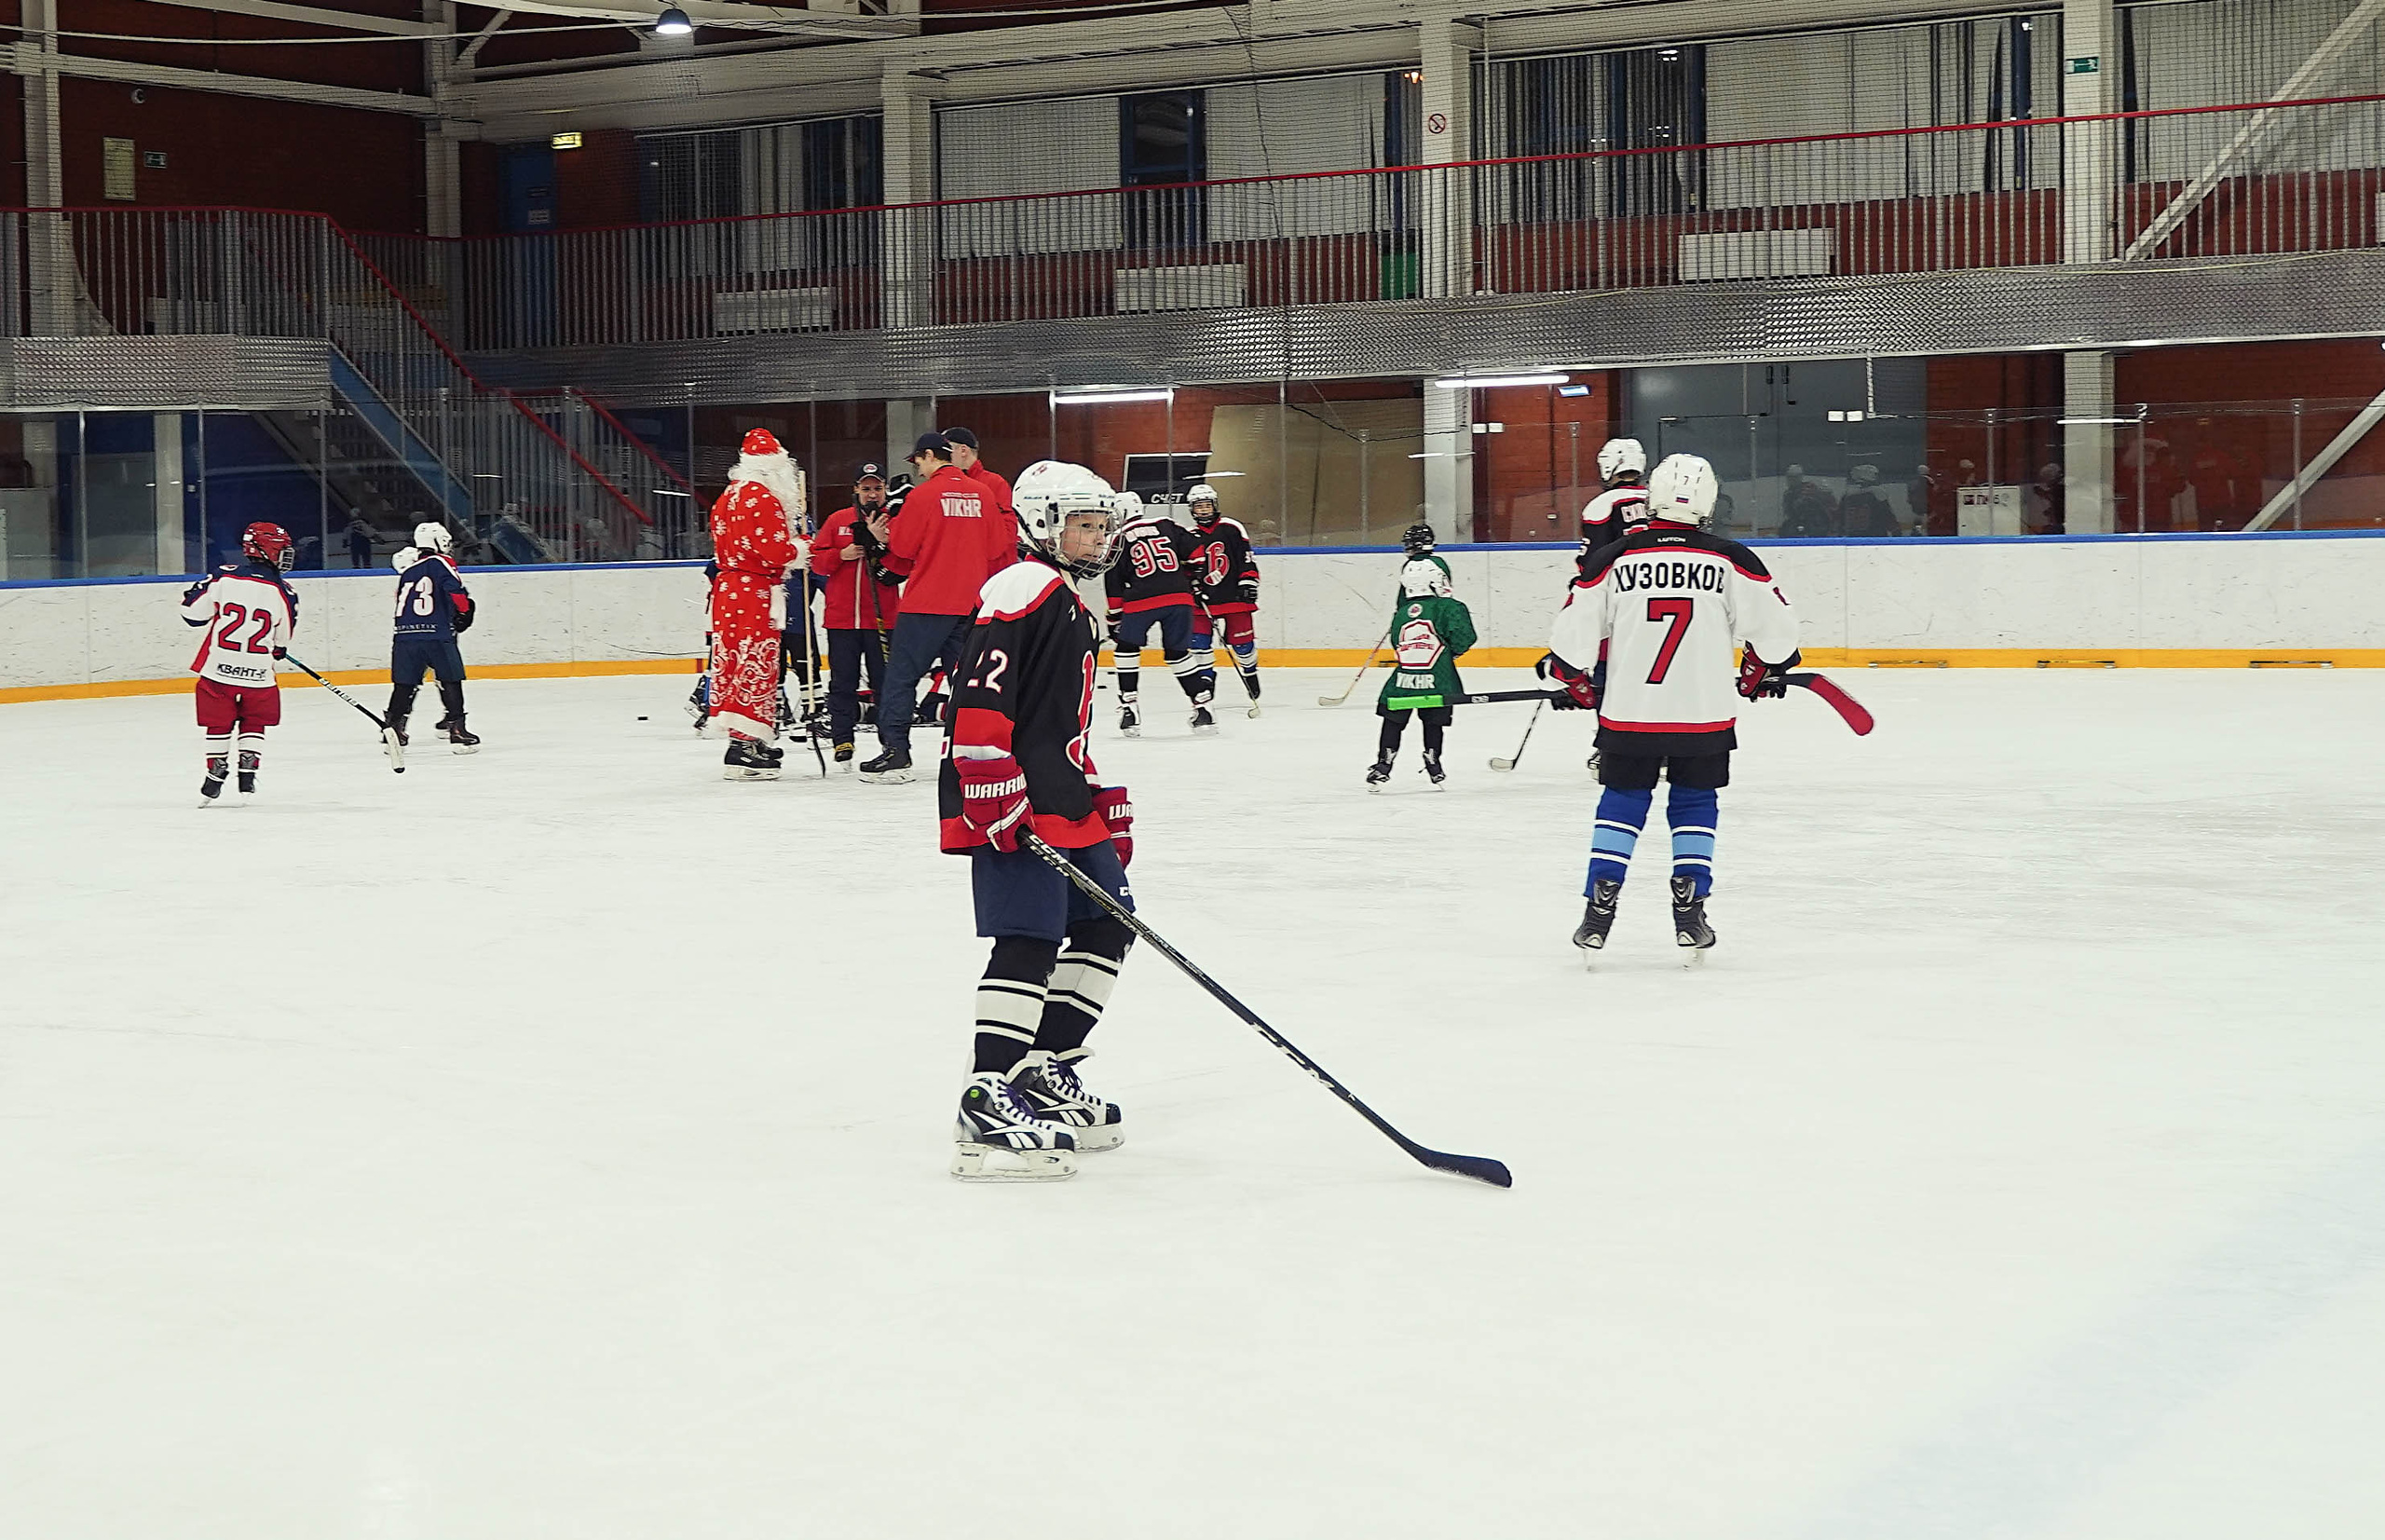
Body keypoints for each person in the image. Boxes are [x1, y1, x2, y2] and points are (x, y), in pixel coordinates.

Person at [942, 459, 1138, 1182]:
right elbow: (981, 695)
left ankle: (1041, 1069)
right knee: (1028, 936)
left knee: (1108, 922)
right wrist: (989, 777)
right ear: (1043, 523)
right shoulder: (1021, 585)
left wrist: (1092, 792)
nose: (1095, 536)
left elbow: (1059, 717)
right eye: (1082, 524)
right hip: (1012, 793)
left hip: (1059, 793)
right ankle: (986, 1090)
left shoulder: (1068, 597)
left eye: (1099, 524)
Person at [1543, 453, 1801, 958]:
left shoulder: (1611, 558)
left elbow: (1571, 640)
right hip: (1702, 712)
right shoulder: (1731, 557)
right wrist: (1764, 667)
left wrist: (1571, 679)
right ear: (1708, 503)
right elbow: (1778, 636)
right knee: (1695, 801)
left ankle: (1600, 900)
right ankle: (1690, 904)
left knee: (1622, 797)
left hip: (1630, 710)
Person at [863, 432, 1013, 784]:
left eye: (918, 461)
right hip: (972, 602)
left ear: (931, 456)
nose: (917, 469)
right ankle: (977, 751)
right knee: (970, 682)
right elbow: (996, 546)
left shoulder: (924, 495)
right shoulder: (982, 493)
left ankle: (896, 750)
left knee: (901, 678)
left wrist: (882, 534)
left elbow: (902, 546)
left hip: (927, 603)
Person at [707, 429, 809, 781]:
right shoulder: (763, 497)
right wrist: (802, 547)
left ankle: (751, 738)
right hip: (755, 593)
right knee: (756, 662)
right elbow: (774, 551)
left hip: (729, 592)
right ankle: (743, 746)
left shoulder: (727, 496)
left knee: (735, 661)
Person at [179, 522, 299, 806]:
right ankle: (248, 769)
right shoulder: (286, 592)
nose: (286, 556)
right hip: (259, 674)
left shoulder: (223, 578)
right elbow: (282, 639)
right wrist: (279, 650)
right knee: (254, 720)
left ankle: (215, 771)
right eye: (281, 550)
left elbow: (192, 614)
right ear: (264, 549)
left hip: (218, 670)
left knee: (217, 723)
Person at [1106, 491, 1219, 738]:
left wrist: (1114, 618)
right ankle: (1203, 706)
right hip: (1179, 597)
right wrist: (1194, 579)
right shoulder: (1166, 524)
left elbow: (1113, 582)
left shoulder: (1117, 538)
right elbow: (1198, 552)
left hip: (1140, 600)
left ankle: (1129, 708)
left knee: (1126, 649)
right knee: (1178, 653)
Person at [809, 464, 900, 764]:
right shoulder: (838, 521)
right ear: (856, 490)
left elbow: (907, 559)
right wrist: (841, 555)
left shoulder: (896, 520)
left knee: (885, 684)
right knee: (842, 682)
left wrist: (883, 546)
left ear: (884, 489)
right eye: (866, 488)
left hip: (882, 619)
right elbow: (817, 563)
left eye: (877, 488)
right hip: (842, 620)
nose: (872, 494)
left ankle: (890, 742)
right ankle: (842, 740)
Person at [1367, 560, 1476, 791]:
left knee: (1393, 718)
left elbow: (1397, 643)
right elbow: (1464, 638)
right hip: (1439, 679)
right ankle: (1433, 763)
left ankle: (1383, 765)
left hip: (1403, 679)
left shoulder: (1402, 613)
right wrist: (1449, 654)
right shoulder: (1449, 607)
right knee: (1434, 721)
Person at [387, 522, 481, 753]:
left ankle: (393, 731)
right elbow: (455, 590)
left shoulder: (408, 570)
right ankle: (457, 730)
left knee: (404, 685)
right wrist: (464, 611)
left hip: (404, 636)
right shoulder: (440, 562)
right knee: (450, 679)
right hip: (436, 634)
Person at [1184, 483, 1264, 715]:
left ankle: (1250, 673)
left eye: (1207, 506)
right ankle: (1206, 683)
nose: (1204, 511)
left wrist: (1248, 582)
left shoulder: (1231, 528)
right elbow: (1185, 569)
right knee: (1198, 644)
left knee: (1243, 645)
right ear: (1192, 510)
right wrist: (1192, 588)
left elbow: (1246, 557)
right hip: (1203, 601)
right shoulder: (1188, 536)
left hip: (1234, 596)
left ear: (1215, 506)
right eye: (1199, 507)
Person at [1578, 437, 1651, 545]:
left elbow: (1592, 557)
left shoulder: (1602, 503)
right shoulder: (1657, 499)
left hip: (1621, 561)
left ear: (1608, 466)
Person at [1837, 464, 1901, 537]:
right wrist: (1896, 531)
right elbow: (1887, 515)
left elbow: (1839, 518)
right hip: (1875, 535)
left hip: (1854, 537)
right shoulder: (1878, 493)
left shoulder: (1847, 494)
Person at [1778, 466, 1838, 538]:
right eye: (1789, 477)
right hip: (1797, 526)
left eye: (1794, 477)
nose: (1791, 480)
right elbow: (1789, 512)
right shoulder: (1789, 494)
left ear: (1800, 477)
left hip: (1814, 527)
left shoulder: (1810, 491)